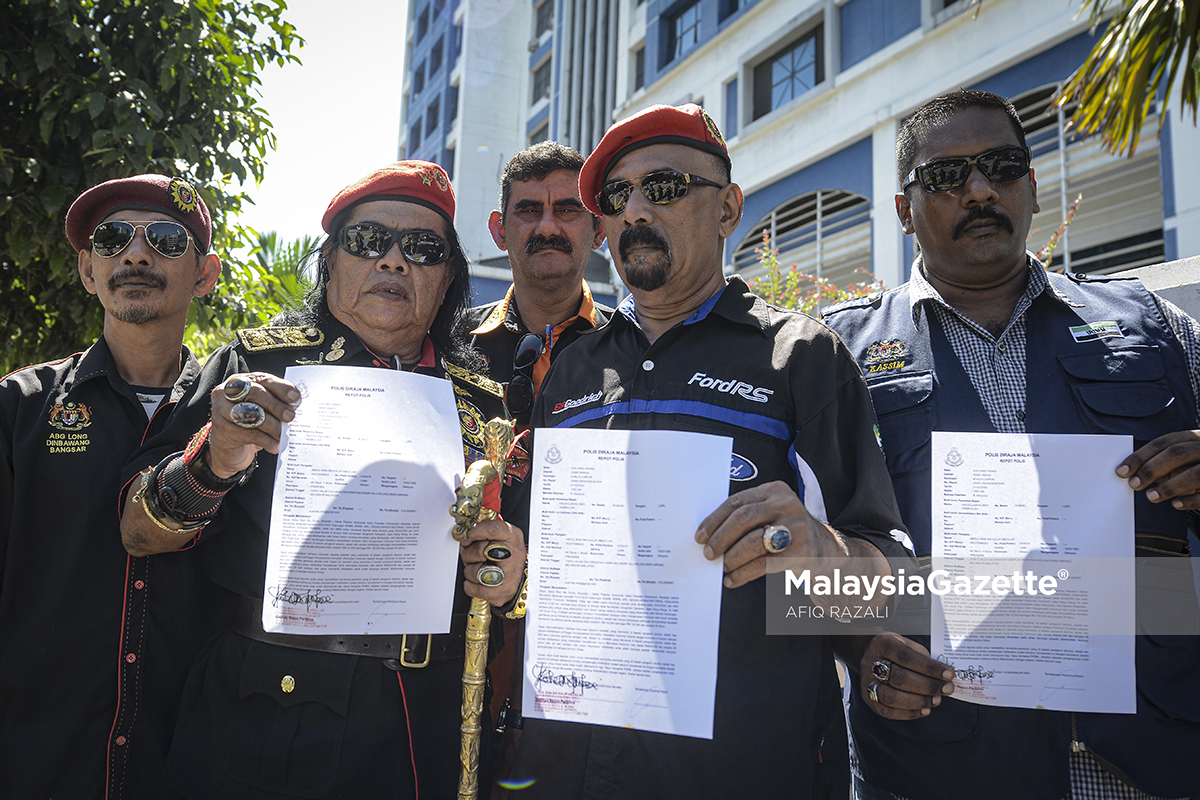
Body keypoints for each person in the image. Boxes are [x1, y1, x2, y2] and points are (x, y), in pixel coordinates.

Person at [507, 103, 912, 799]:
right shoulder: (570, 371)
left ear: (727, 208)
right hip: (565, 766)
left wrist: (819, 551)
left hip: (741, 771)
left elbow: (893, 582)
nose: (634, 209)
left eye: (662, 187)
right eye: (616, 195)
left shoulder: (801, 358)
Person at [822, 89, 1200, 800]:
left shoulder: (1158, 330)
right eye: (945, 176)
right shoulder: (834, 357)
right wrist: (857, 648)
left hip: (1155, 760)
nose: (979, 189)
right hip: (942, 763)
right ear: (904, 210)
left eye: (1001, 166)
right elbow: (801, 555)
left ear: (1031, 184)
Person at [117, 161, 525, 799]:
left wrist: (507, 573)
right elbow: (139, 532)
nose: (393, 262)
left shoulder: (486, 405)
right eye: (368, 242)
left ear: (447, 279)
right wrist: (215, 457)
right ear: (331, 262)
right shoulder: (254, 367)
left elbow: (521, 572)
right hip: (265, 714)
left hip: (429, 723)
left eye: (422, 249)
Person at [0, 174, 227, 799]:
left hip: (184, 767)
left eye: (163, 240)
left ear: (204, 275)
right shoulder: (20, 409)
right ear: (87, 268)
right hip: (36, 764)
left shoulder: (233, 421)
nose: (135, 253)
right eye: (113, 238)